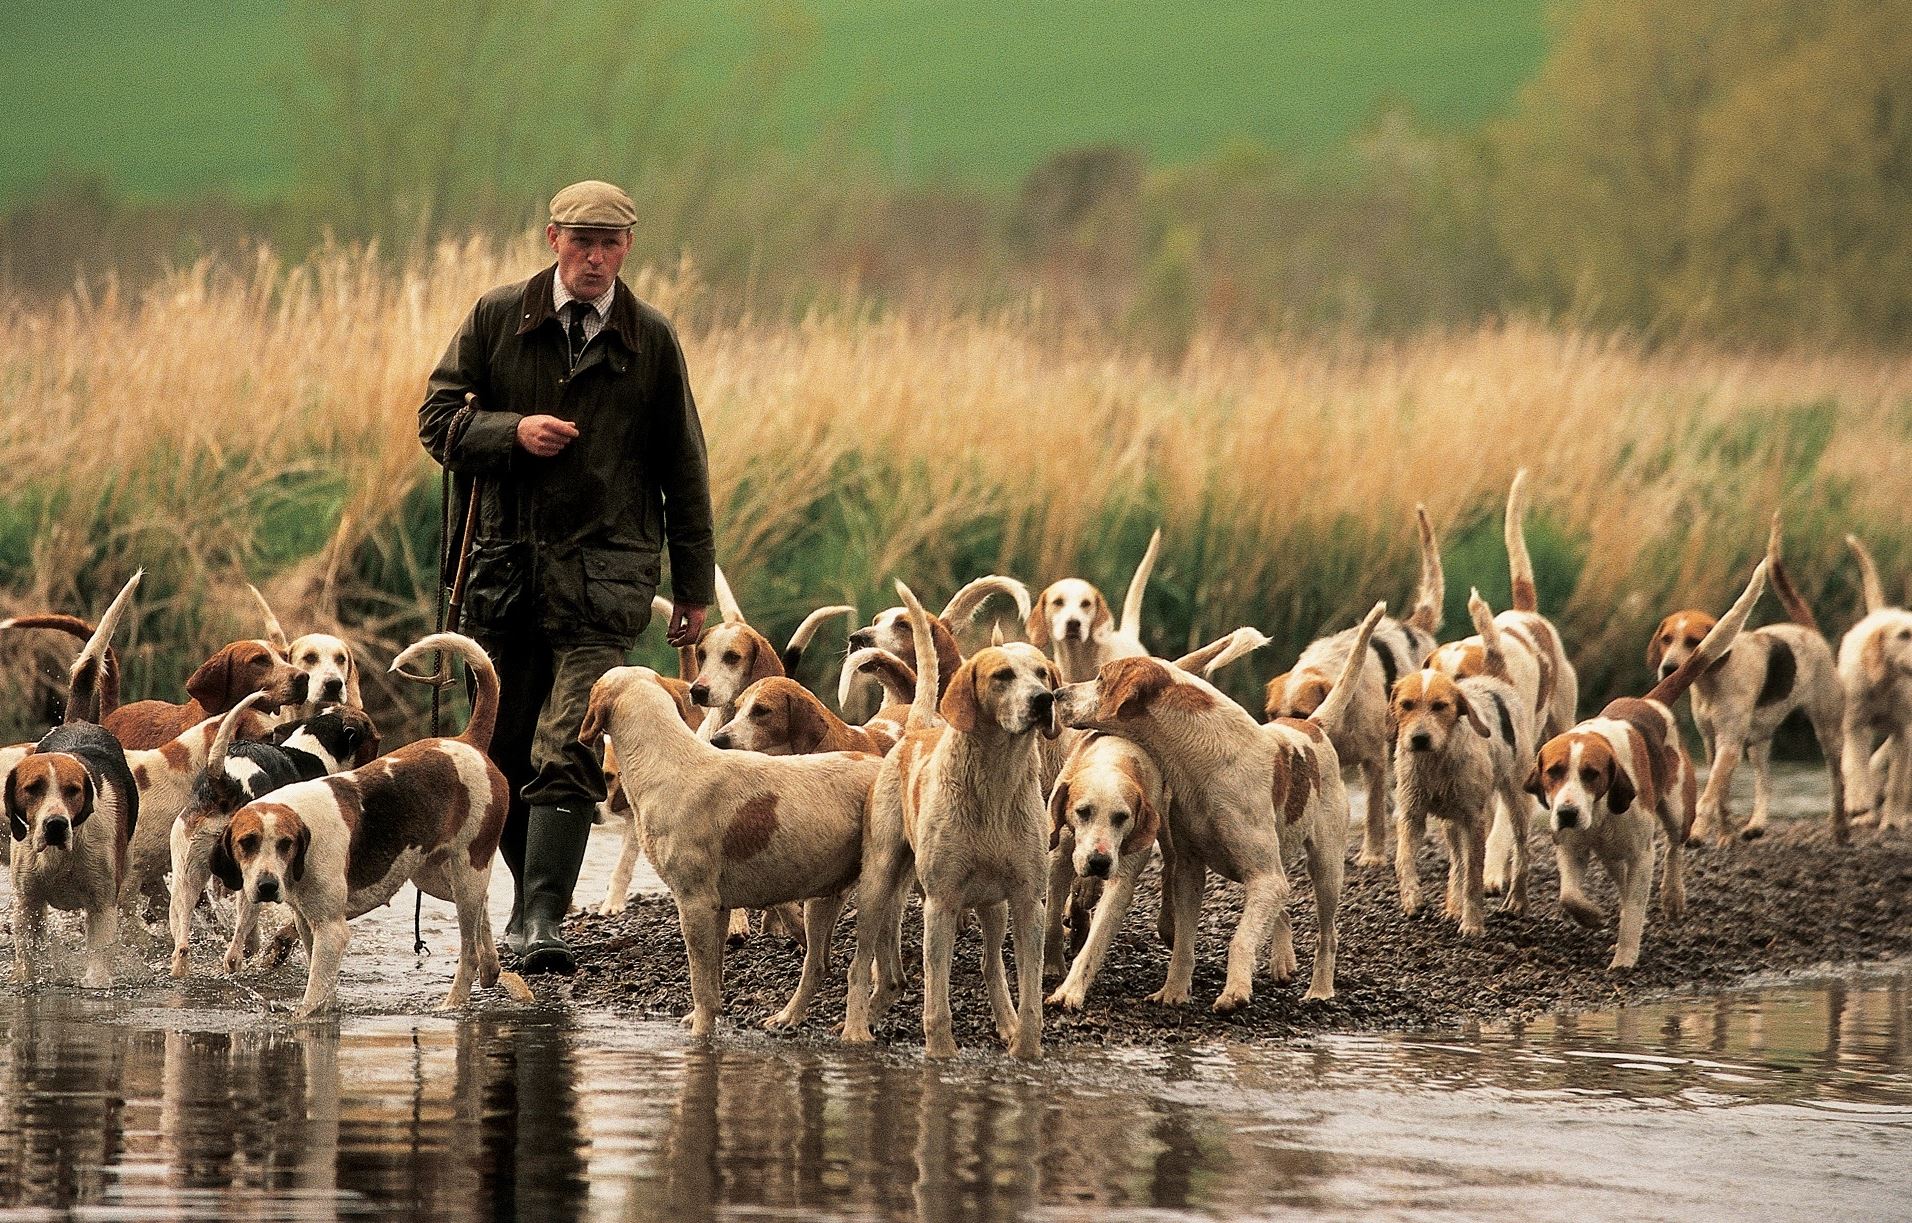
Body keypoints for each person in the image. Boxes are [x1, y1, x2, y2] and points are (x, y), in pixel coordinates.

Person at [419, 180, 715, 974]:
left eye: (610, 243)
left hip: (606, 580)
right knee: (504, 748)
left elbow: (685, 470)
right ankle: (522, 905)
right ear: (552, 237)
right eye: (581, 240)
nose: (594, 256)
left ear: (627, 248)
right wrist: (511, 431)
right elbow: (437, 420)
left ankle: (545, 917)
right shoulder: (496, 317)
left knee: (570, 744)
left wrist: (695, 590)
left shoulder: (650, 339)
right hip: (502, 574)